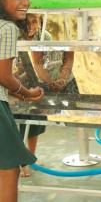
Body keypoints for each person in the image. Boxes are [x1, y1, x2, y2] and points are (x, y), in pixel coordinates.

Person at [16, 13, 79, 177]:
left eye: (35, 21)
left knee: (33, 122)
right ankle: (21, 162)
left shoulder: (43, 35)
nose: (32, 25)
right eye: (28, 21)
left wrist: (57, 80)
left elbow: (57, 60)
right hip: (16, 84)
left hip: (37, 84)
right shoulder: (12, 34)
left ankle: (30, 158)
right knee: (18, 122)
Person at [0, 0, 44, 202]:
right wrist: (27, 93)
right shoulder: (7, 28)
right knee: (9, 169)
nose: (25, 2)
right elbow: (3, 76)